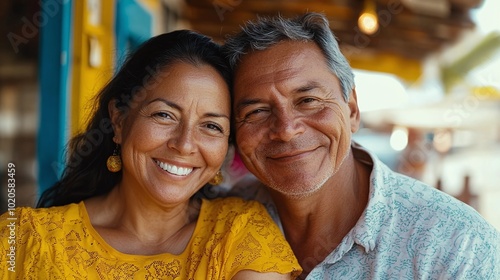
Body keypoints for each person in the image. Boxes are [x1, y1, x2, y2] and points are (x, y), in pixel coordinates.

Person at [0, 30, 301, 279]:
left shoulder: (238, 233)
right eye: (164, 115)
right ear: (118, 120)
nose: (184, 144)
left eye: (210, 126)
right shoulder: (25, 239)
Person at [222, 12, 500, 279]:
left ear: (352, 109)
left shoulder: (458, 245)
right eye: (256, 111)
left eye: (308, 101)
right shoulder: (217, 222)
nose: (286, 130)